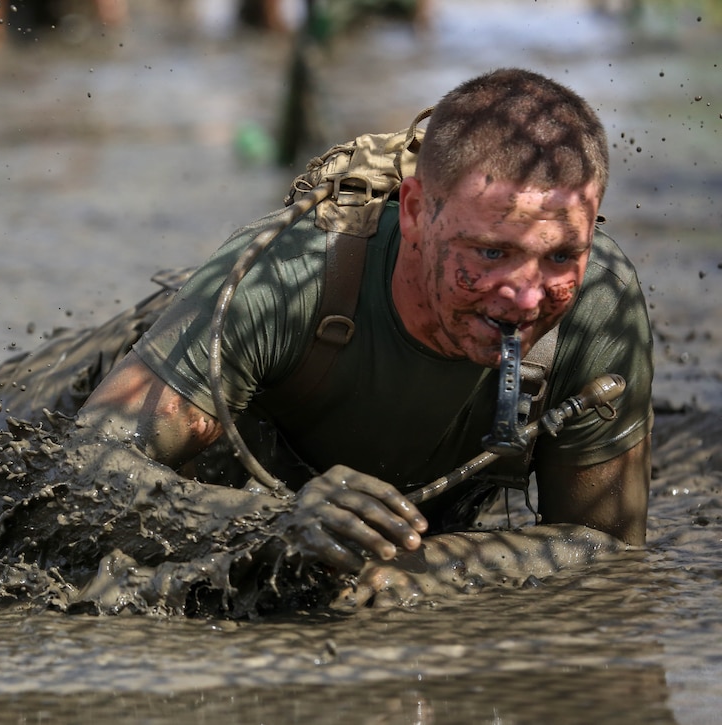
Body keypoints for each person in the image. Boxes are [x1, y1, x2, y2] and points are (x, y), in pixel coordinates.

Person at [68, 67, 653, 593]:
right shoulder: (285, 278)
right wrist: (275, 525)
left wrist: (431, 568)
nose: (526, 297)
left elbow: (609, 549)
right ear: (418, 209)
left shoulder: (600, 302)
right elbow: (78, 471)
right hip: (123, 365)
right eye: (491, 252)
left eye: (558, 258)